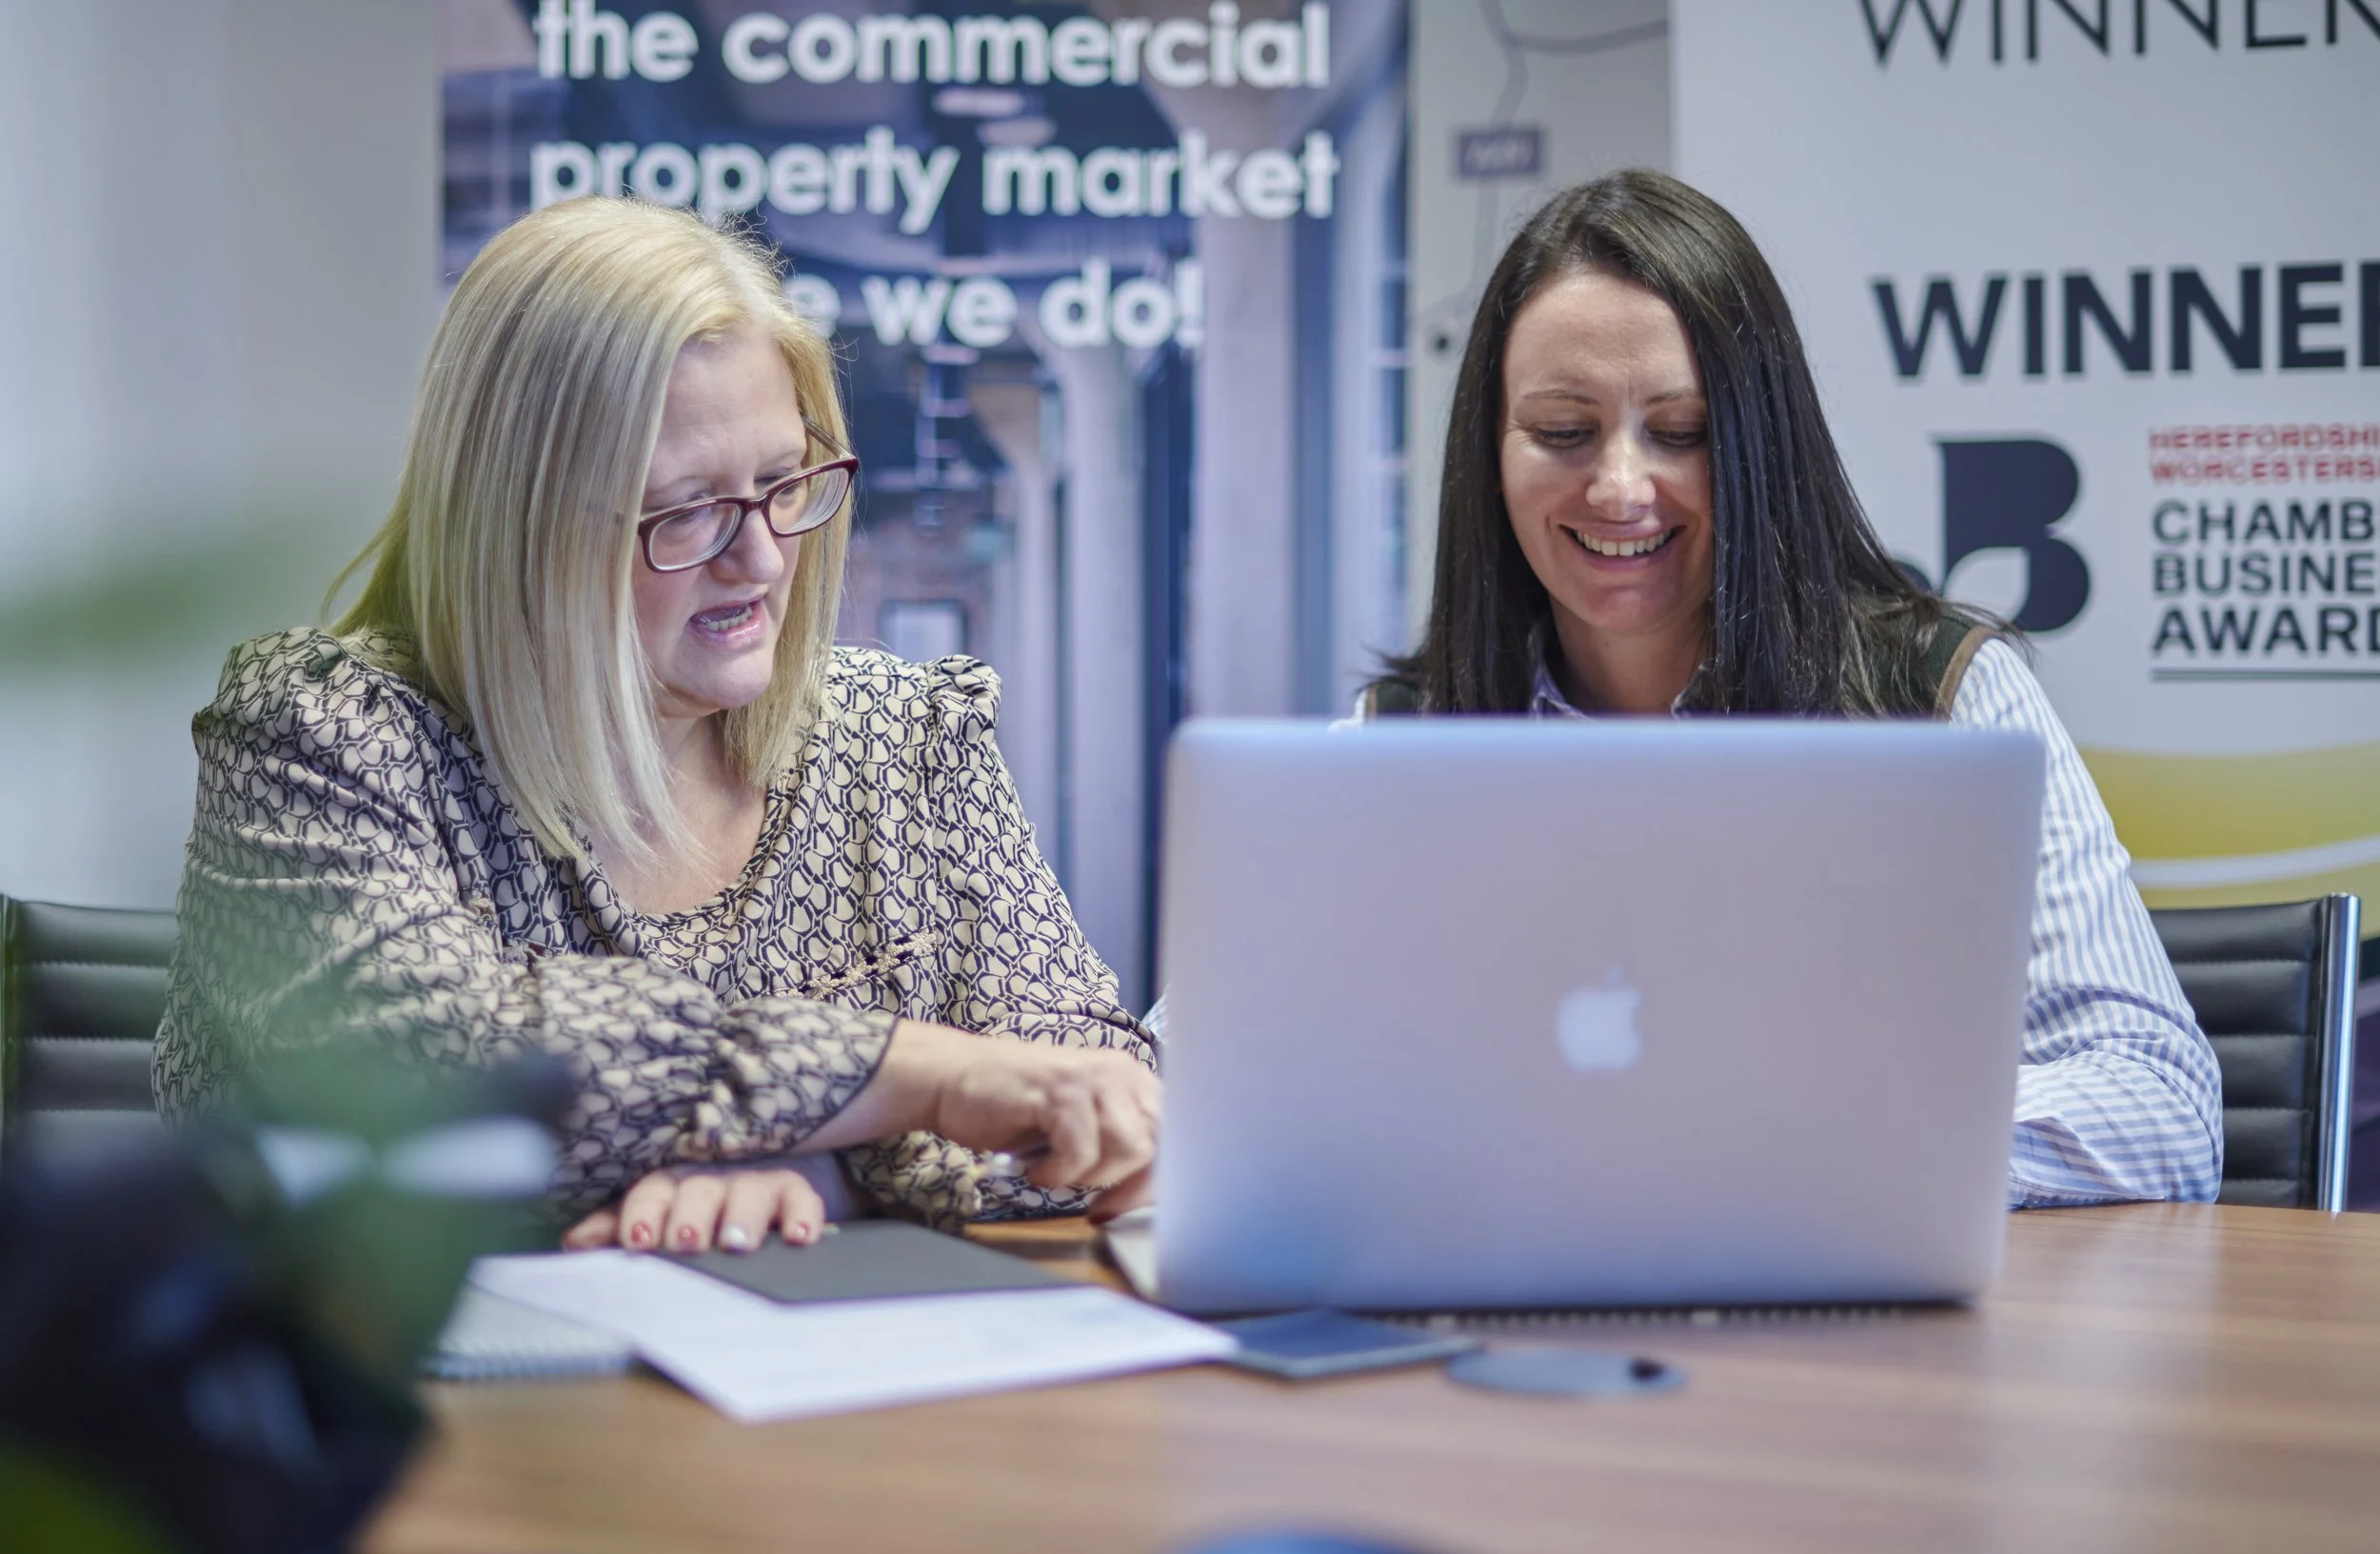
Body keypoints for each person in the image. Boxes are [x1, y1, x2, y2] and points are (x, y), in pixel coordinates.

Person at [154, 196, 1158, 1250]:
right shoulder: (327, 739)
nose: (763, 558)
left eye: (782, 483)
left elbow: (1100, 1102)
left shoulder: (902, 736)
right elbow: (428, 1075)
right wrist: (910, 1077)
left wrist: (812, 1170)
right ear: (516, 526)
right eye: (687, 509)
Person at [1370, 169, 2220, 1206]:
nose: (1622, 487)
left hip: (1853, 1331)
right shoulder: (1393, 744)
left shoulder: (1945, 698)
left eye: (1680, 432)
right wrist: (1116, 1079)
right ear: (1489, 456)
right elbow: (1197, 1068)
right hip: (1487, 1323)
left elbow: (2161, 1111)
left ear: (1761, 445)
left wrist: (1781, 1145)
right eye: (1561, 431)